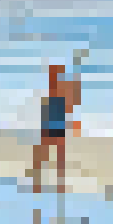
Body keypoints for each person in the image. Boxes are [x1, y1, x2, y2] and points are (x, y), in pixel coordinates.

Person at [29, 64, 78, 192]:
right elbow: (70, 103)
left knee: (57, 155)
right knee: (45, 153)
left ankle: (57, 183)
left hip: (57, 123)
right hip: (50, 122)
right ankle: (39, 181)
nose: (53, 76)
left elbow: (71, 103)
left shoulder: (64, 89)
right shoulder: (57, 90)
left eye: (55, 73)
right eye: (53, 73)